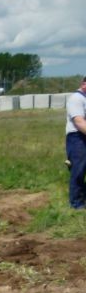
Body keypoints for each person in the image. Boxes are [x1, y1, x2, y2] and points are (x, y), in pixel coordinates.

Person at [65, 75, 86, 209]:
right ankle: (76, 203)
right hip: (77, 138)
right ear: (84, 84)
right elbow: (79, 122)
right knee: (79, 171)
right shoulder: (76, 99)